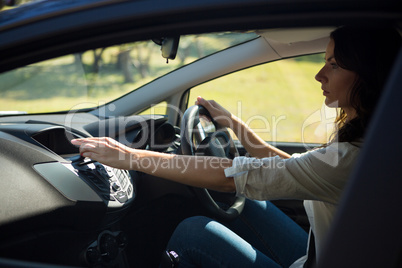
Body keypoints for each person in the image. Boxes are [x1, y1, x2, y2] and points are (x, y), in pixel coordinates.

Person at [71, 26, 401, 267]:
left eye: (334, 64)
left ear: (367, 75)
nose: (319, 74)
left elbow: (231, 177)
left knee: (193, 233)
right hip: (315, 255)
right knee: (252, 204)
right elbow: (293, 169)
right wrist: (234, 126)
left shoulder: (352, 156)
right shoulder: (369, 140)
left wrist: (130, 157)